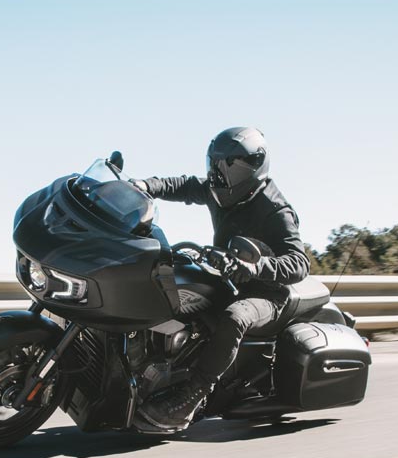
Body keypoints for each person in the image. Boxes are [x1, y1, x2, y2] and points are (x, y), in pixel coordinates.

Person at [131, 126, 310, 432]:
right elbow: (184, 185)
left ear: (251, 167)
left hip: (267, 294)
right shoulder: (219, 190)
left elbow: (299, 263)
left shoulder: (275, 210)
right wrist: (145, 185)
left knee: (234, 317)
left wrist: (256, 267)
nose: (217, 175)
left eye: (227, 167)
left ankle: (190, 397)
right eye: (214, 165)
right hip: (229, 279)